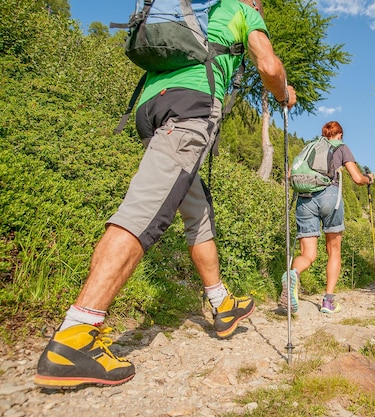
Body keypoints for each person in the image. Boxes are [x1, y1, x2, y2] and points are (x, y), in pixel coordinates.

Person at [34, 0, 296, 389]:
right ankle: (75, 336)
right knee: (147, 210)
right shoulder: (244, 10)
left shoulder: (199, 10)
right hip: (191, 106)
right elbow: (269, 67)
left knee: (196, 210)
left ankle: (221, 303)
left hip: (151, 105)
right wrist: (284, 91)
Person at [279, 121, 373, 314]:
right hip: (330, 197)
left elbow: (290, 174)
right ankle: (328, 302)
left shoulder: (310, 147)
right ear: (339, 134)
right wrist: (368, 179)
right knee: (334, 251)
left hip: (305, 201)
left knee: (308, 254)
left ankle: (293, 274)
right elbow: (356, 178)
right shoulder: (342, 147)